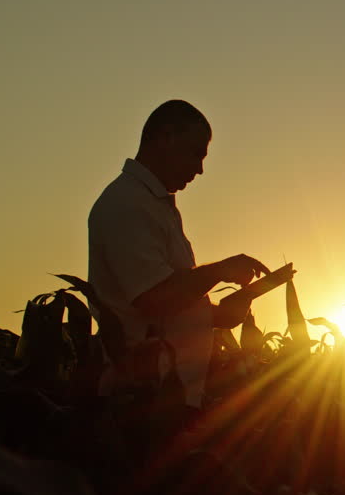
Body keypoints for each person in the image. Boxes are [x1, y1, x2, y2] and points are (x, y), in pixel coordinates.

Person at [88, 99, 272, 409]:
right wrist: (219, 271)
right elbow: (152, 298)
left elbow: (165, 305)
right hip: (142, 403)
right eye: (195, 154)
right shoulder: (127, 204)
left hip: (170, 399)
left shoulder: (154, 205)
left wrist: (217, 316)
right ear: (166, 137)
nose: (199, 169)